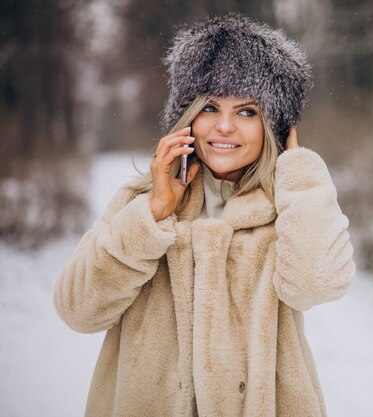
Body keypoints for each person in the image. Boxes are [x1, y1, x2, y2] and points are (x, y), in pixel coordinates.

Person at [53, 14, 355, 417]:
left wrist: (299, 170)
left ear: (275, 126)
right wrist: (153, 216)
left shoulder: (288, 206)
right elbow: (78, 310)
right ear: (187, 115)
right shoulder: (140, 203)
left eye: (247, 111)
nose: (225, 126)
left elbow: (314, 285)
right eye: (210, 107)